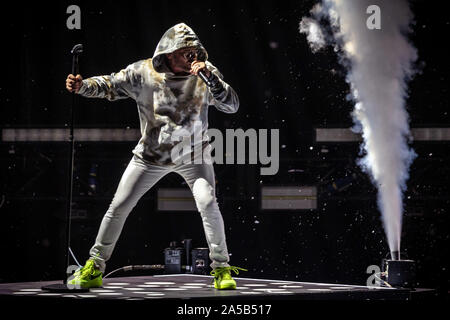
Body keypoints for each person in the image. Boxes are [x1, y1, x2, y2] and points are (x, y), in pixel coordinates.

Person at [65, 23, 245, 289]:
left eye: (196, 51)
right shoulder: (144, 73)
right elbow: (110, 84)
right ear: (170, 53)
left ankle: (222, 269)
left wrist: (211, 79)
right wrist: (82, 87)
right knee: (119, 206)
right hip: (149, 157)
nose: (193, 57)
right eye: (187, 52)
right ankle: (94, 266)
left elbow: (232, 105)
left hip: (194, 155)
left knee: (208, 203)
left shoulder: (205, 74)